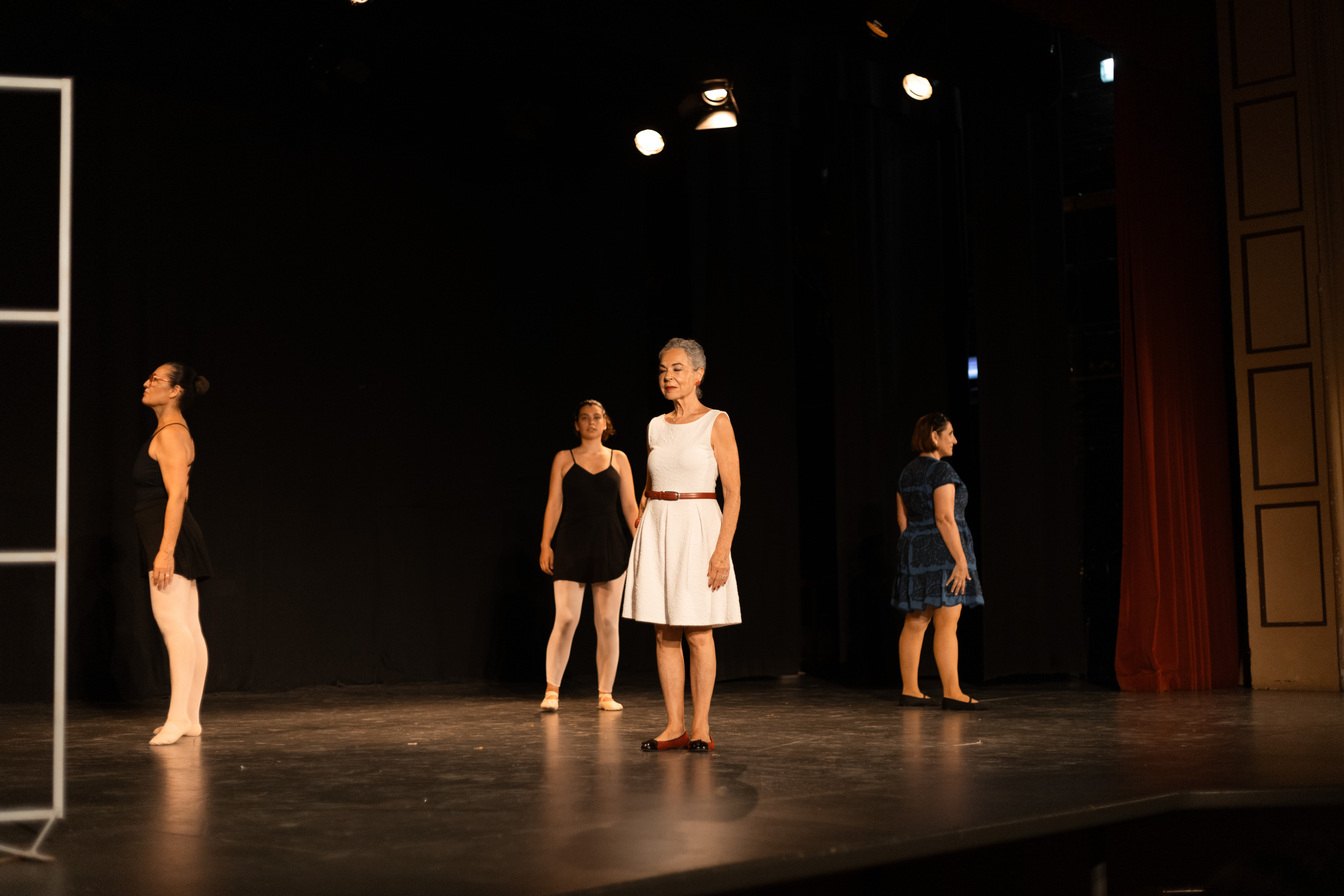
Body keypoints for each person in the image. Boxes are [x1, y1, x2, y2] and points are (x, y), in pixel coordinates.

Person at [623, 338, 741, 752]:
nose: (667, 377)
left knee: (698, 632)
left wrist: (722, 550)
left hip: (698, 527)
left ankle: (701, 725)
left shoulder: (716, 422)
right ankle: (675, 725)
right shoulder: (656, 425)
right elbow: (652, 480)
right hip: (660, 527)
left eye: (676, 369)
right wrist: (642, 513)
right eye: (662, 370)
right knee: (664, 631)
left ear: (697, 375)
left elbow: (733, 493)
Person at [537, 400, 640, 712]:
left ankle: (605, 693)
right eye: (585, 417)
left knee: (607, 621)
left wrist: (642, 544)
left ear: (605, 423)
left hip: (610, 545)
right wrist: (545, 543)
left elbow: (630, 506)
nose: (591, 422)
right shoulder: (563, 458)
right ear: (576, 425)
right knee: (567, 618)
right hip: (572, 544)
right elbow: (554, 503)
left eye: (597, 417)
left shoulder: (619, 458)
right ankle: (552, 690)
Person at [134, 362, 214, 745]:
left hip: (169, 538)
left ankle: (178, 717)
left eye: (155, 379)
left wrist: (165, 551)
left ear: (175, 391)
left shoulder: (170, 435)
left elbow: (178, 495)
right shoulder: (172, 431)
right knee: (187, 625)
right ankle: (190, 718)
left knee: (173, 624)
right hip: (172, 535)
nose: (146, 383)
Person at [893, 412, 986, 710]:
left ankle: (910, 689)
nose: (955, 440)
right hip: (943, 553)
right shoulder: (942, 471)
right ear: (934, 436)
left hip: (914, 551)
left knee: (916, 621)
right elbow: (945, 518)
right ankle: (952, 691)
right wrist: (961, 560)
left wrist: (913, 553)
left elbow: (902, 521)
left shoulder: (906, 473)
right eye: (950, 434)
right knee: (947, 623)